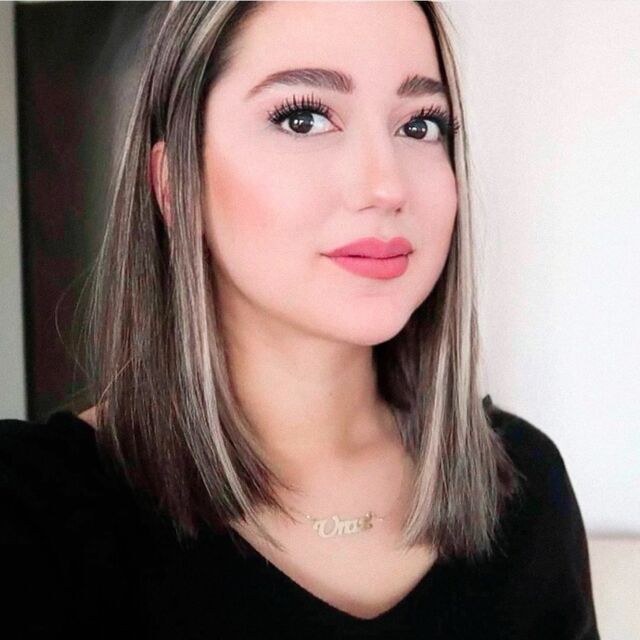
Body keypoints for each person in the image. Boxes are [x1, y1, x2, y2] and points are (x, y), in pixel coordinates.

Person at [0, 2, 600, 638]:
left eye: (420, 124)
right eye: (304, 118)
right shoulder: (27, 510)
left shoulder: (524, 483)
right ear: (175, 183)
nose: (386, 185)